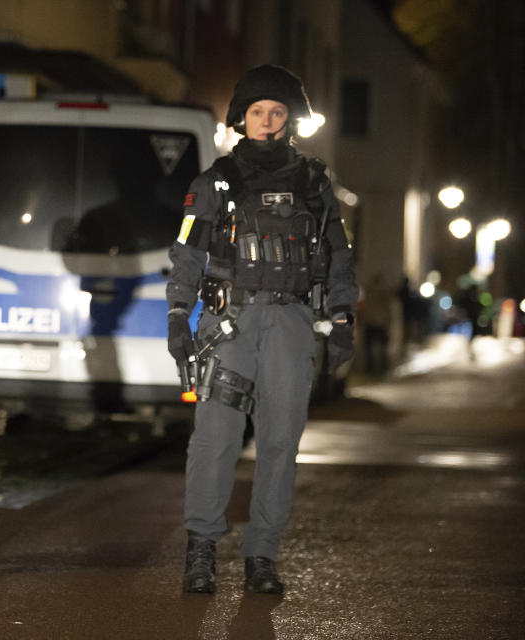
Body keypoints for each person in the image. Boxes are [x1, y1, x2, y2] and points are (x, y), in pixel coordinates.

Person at [166, 64, 357, 594]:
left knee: (279, 443)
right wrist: (178, 315)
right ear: (241, 119)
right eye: (258, 113)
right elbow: (185, 255)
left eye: (277, 113)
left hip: (292, 322)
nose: (268, 123)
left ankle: (262, 557)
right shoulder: (215, 183)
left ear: (291, 119)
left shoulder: (316, 186)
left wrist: (342, 319)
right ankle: (201, 551)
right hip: (229, 324)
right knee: (216, 440)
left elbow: (339, 258)